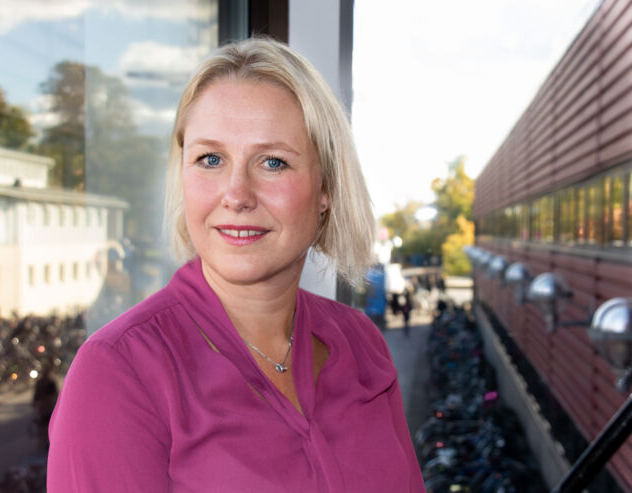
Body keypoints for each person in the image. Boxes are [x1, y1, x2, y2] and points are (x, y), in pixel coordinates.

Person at [48, 37, 425, 492]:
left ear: (326, 189)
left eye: (272, 162)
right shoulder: (119, 371)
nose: (237, 195)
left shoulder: (361, 344)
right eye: (210, 159)